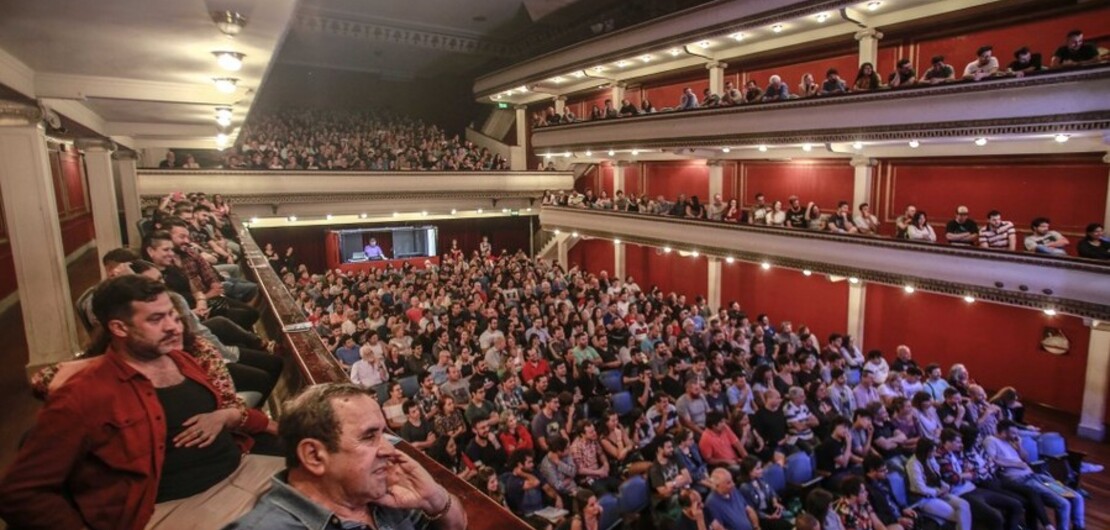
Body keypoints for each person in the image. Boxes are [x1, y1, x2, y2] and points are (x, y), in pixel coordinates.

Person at [0, 275, 284, 529]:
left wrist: (273, 426)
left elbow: (223, 408)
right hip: (178, 506)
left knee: (312, 473)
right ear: (119, 328)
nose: (173, 327)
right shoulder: (85, 392)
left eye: (172, 314)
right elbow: (20, 492)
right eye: (156, 319)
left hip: (240, 468)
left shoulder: (181, 359)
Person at [226, 383, 465, 529]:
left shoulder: (383, 490)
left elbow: (457, 525)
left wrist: (434, 499)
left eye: (383, 434)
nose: (389, 450)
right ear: (314, 456)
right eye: (369, 436)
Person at [986, 420, 1084, 530]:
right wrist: (1016, 464)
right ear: (1004, 432)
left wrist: (1019, 446)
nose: (1016, 435)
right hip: (1021, 479)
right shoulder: (991, 440)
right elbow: (991, 460)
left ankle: (1079, 527)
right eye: (1013, 433)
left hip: (1035, 476)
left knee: (1076, 497)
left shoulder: (1010, 442)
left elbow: (1026, 459)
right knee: (1064, 503)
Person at [905, 439, 973, 530]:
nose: (935, 453)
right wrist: (937, 491)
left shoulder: (930, 459)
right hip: (924, 498)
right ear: (926, 452)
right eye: (933, 451)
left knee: (964, 505)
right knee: (959, 516)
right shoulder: (913, 464)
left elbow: (937, 477)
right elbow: (919, 488)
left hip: (938, 492)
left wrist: (945, 486)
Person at [737, 456, 792, 530]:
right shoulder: (744, 488)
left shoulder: (760, 478)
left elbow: (771, 491)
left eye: (761, 467)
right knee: (785, 526)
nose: (761, 470)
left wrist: (775, 503)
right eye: (758, 469)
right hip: (761, 516)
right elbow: (752, 511)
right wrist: (769, 517)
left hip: (769, 507)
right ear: (749, 472)